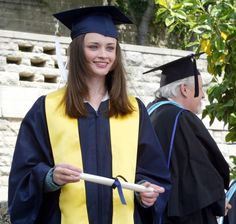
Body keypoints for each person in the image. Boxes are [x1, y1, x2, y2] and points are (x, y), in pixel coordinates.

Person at [8, 5, 171, 224]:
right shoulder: (47, 108)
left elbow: (152, 172)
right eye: (93, 47)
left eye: (110, 48)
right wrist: (50, 178)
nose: (103, 55)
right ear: (77, 51)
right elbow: (23, 176)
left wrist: (146, 193)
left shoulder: (133, 110)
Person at [144, 54, 230, 224]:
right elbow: (198, 168)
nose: (203, 95)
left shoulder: (151, 112)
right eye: (200, 88)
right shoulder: (180, 118)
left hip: (154, 209)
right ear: (184, 89)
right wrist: (218, 200)